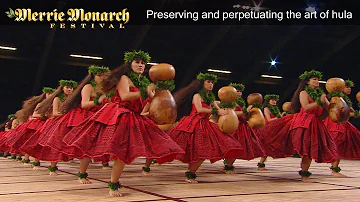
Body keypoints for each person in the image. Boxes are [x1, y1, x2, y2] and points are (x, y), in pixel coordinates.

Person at [60, 50, 184, 197]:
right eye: (137, 62)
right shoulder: (124, 78)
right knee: (93, 143)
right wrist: (145, 91)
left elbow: (150, 101)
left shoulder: (144, 83)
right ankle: (87, 175)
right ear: (129, 64)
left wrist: (159, 99)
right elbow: (125, 96)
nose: (140, 65)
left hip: (134, 117)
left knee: (123, 153)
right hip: (118, 115)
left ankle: (113, 183)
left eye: (143, 63)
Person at [259, 70, 339, 182]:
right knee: (306, 148)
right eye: (314, 79)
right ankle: (304, 173)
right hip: (303, 122)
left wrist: (334, 102)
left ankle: (305, 173)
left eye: (317, 79)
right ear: (307, 82)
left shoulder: (321, 95)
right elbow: (306, 107)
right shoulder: (304, 93)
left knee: (311, 148)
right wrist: (319, 102)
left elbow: (329, 108)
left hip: (316, 123)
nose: (317, 81)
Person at [167, 73, 244, 183]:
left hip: (205, 124)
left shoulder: (210, 98)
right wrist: (217, 111)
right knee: (195, 151)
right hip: (193, 124)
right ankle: (190, 174)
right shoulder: (197, 96)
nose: (211, 84)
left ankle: (191, 173)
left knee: (203, 151)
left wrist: (226, 110)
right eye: (208, 82)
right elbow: (199, 110)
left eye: (212, 82)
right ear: (202, 84)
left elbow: (218, 109)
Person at [21, 80, 77, 175]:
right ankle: (50, 167)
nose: (69, 89)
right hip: (55, 123)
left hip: (66, 122)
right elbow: (54, 113)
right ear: (62, 88)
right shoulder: (56, 99)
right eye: (67, 87)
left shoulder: (71, 99)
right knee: (52, 145)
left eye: (71, 88)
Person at [221, 83, 266, 174]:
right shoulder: (230, 102)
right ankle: (228, 167)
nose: (239, 93)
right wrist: (245, 111)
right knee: (234, 147)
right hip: (234, 126)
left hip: (242, 126)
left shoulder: (241, 103)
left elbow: (243, 114)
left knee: (240, 148)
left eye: (240, 91)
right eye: (237, 91)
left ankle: (229, 165)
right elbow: (232, 114)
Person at [323, 79, 360, 177]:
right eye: (347, 87)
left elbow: (350, 113)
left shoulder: (344, 100)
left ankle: (335, 168)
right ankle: (334, 170)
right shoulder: (335, 98)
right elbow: (335, 113)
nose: (349, 89)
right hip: (335, 124)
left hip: (343, 124)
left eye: (350, 88)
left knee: (339, 146)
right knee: (336, 145)